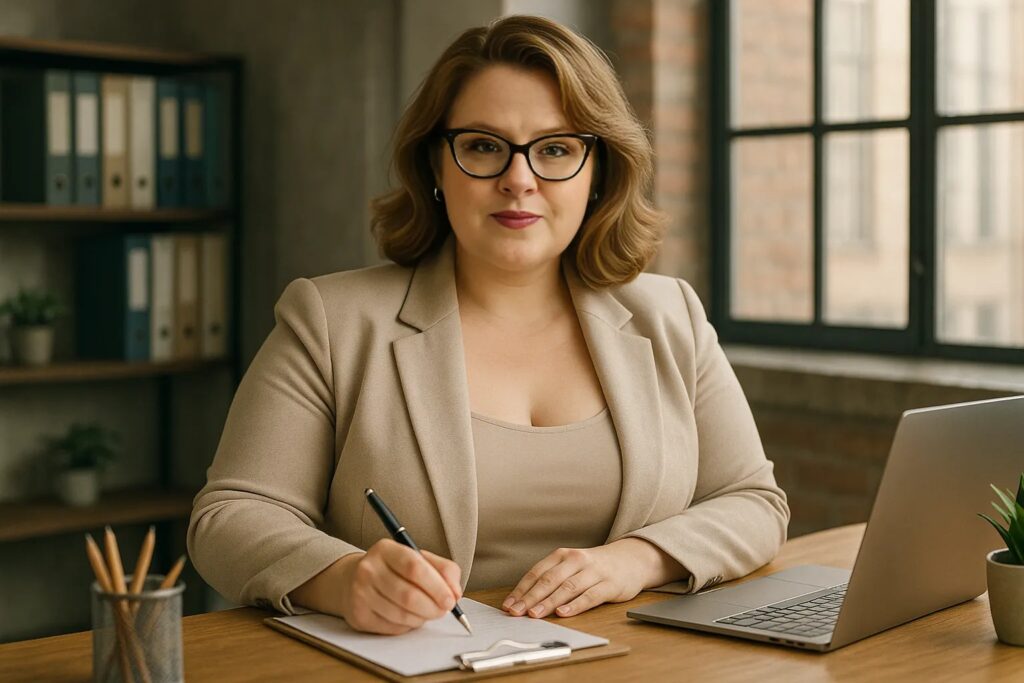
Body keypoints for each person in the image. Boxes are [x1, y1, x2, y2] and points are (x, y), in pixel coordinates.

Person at [188, 14, 789, 636]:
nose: (519, 180)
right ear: (436, 166)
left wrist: (636, 561)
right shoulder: (331, 320)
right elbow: (231, 516)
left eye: (555, 149)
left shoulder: (670, 315)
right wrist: (343, 578)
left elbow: (754, 501)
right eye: (483, 146)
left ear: (598, 171)